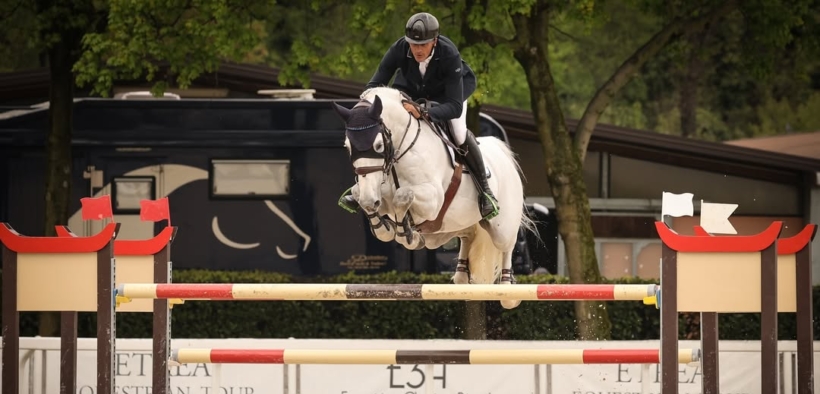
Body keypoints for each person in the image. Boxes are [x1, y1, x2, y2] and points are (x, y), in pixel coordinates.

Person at [337, 12, 500, 221]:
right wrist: (365, 112)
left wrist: (424, 112)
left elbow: (454, 107)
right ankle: (361, 187)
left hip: (449, 96)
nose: (418, 50)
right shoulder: (399, 49)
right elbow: (374, 86)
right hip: (412, 93)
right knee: (387, 133)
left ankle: (485, 191)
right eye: (414, 44)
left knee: (458, 133)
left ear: (434, 41)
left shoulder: (449, 54)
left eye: (423, 45)